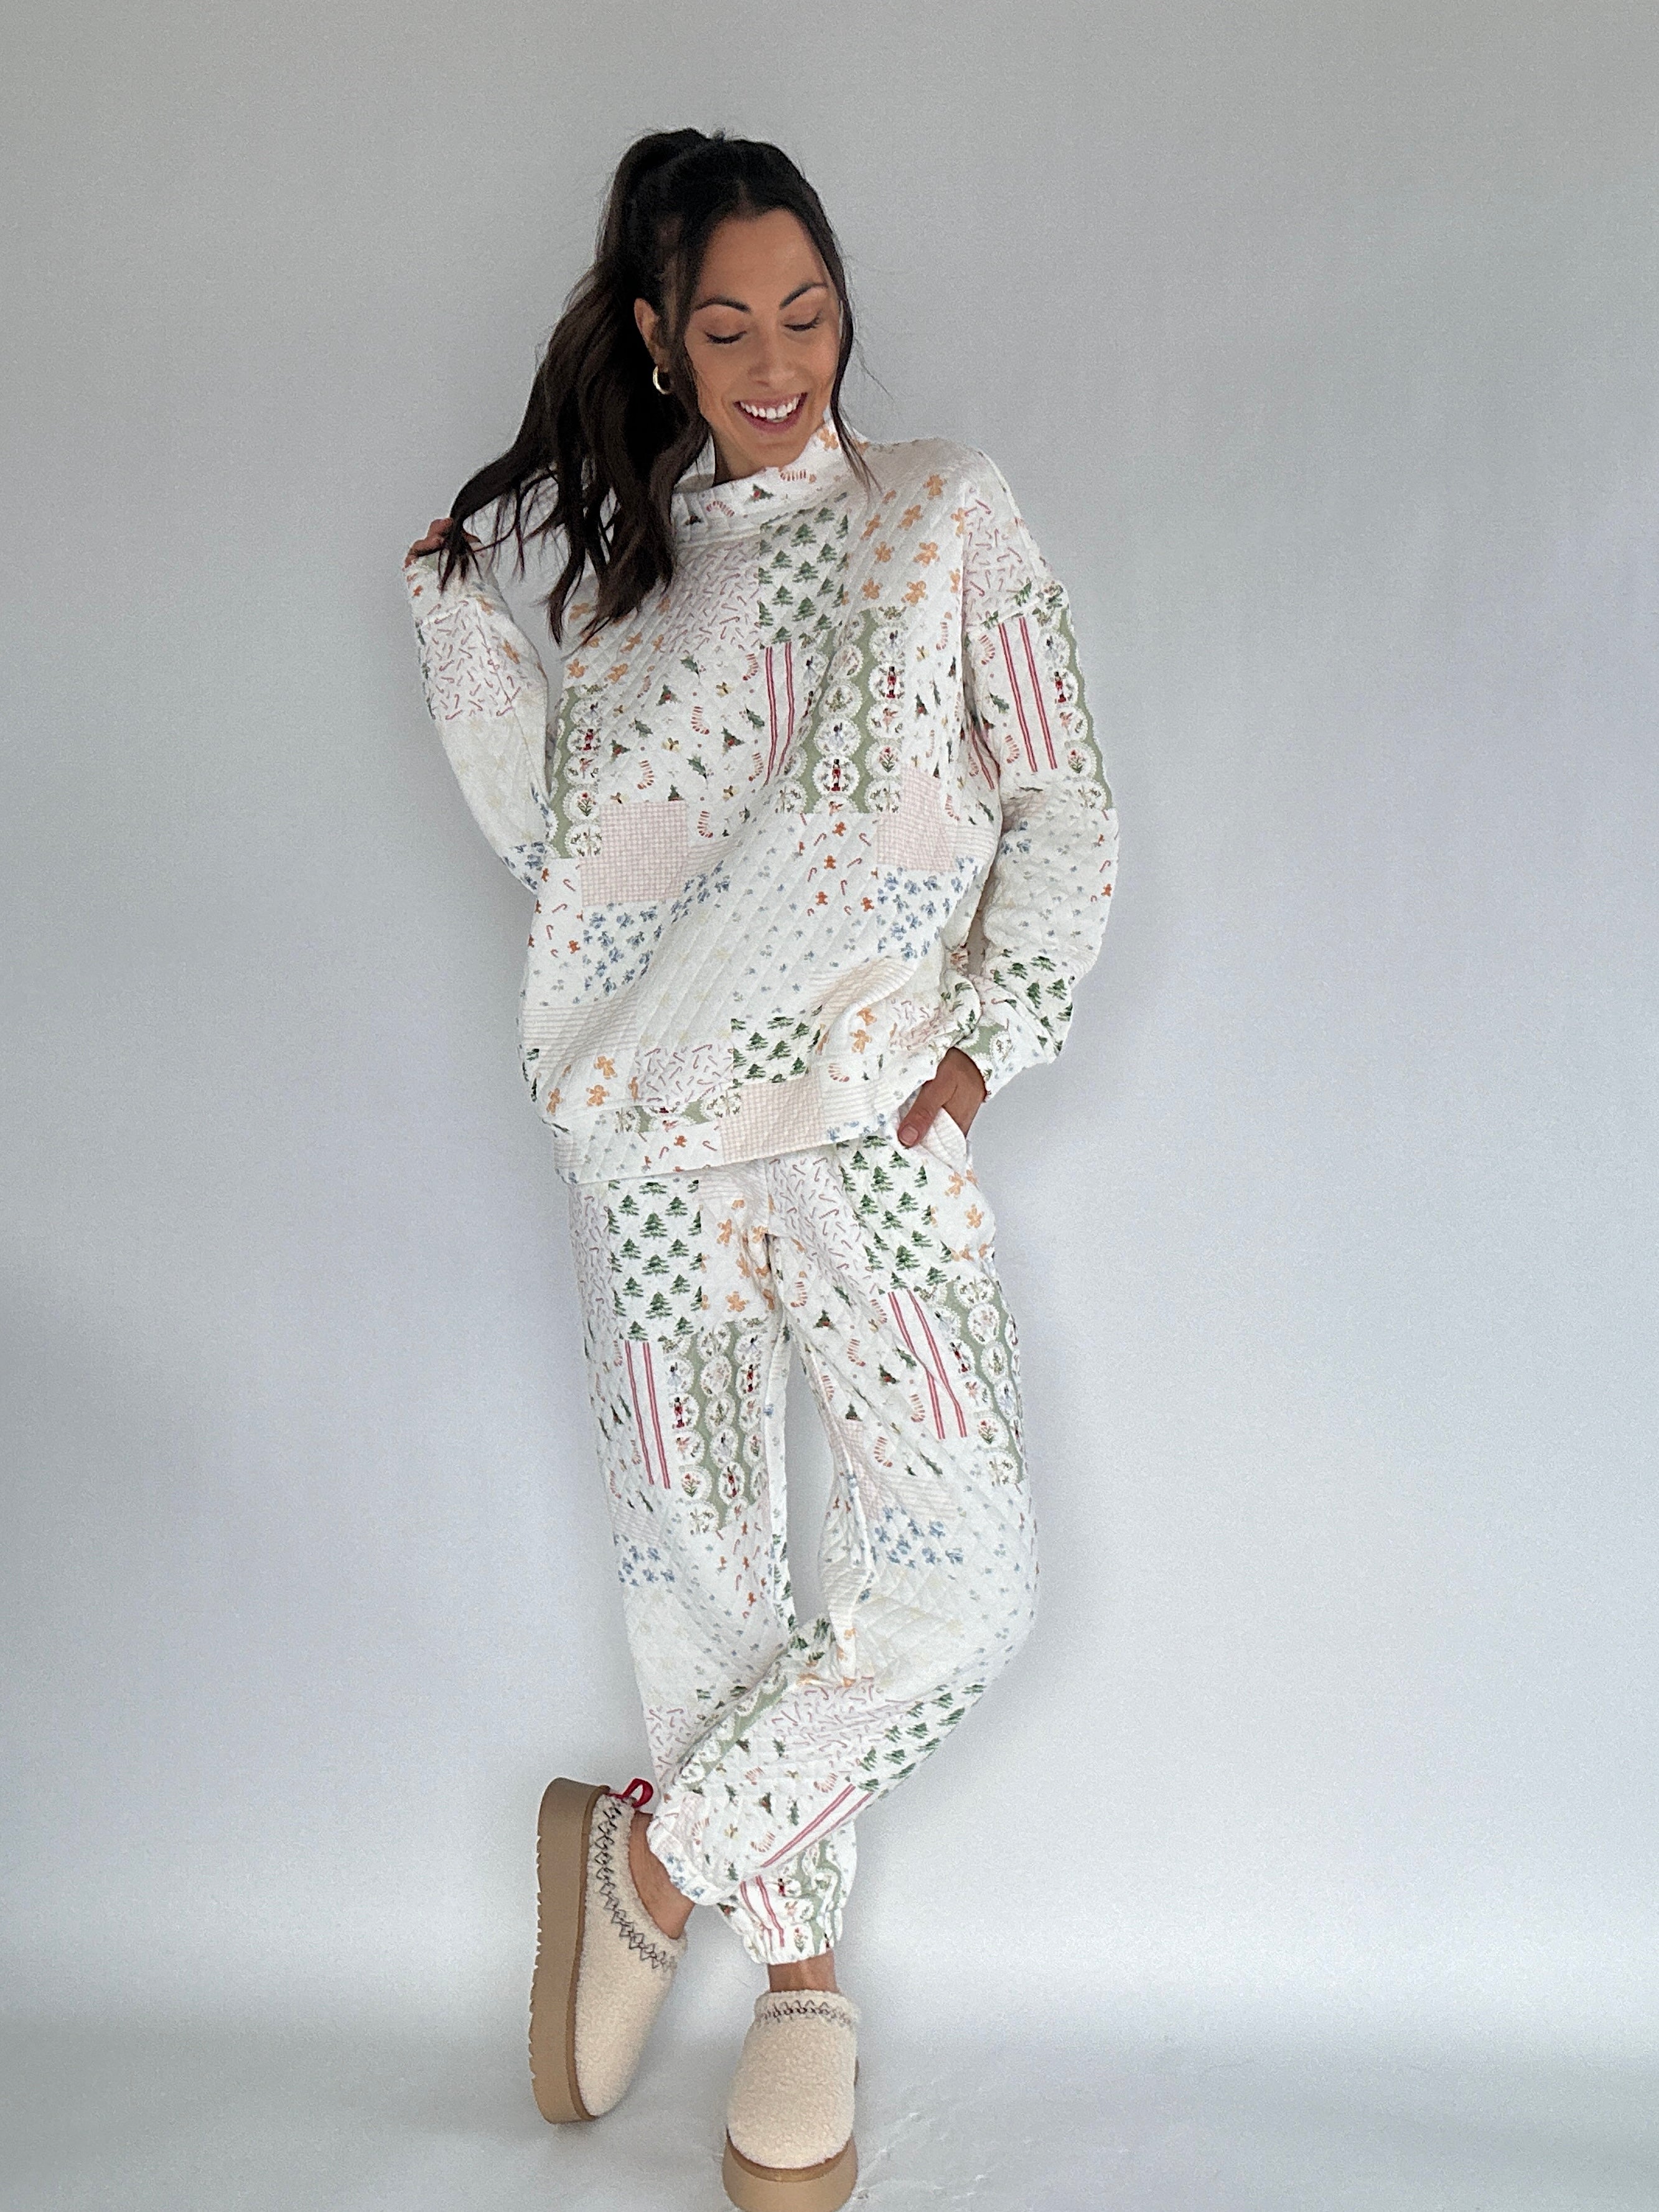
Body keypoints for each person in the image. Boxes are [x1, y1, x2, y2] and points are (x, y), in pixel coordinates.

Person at [403, 126, 1118, 2212]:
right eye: (727, 327)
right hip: (646, 1149)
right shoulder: (628, 605)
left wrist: (981, 1052)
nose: (779, 359)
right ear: (658, 339)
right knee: (702, 1587)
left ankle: (644, 1867)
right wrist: (456, 624)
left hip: (869, 1129)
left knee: (960, 1579)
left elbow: (1061, 807)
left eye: (806, 313)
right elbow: (560, 861)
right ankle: (801, 1990)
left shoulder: (941, 514)